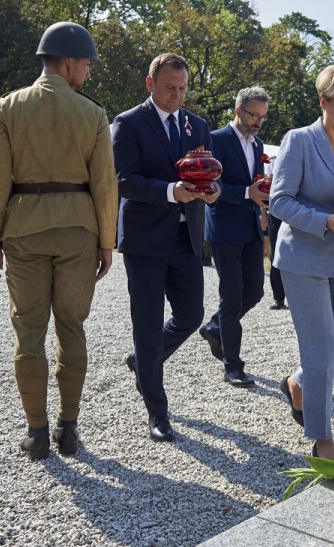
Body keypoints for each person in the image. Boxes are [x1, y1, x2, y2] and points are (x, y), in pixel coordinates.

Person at [0, 21, 117, 459]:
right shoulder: (92, 114)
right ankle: (68, 429)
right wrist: (107, 242)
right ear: (68, 62)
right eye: (87, 64)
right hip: (79, 231)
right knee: (72, 327)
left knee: (28, 330)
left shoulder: (8, 107)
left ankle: (36, 433)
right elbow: (104, 184)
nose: (88, 71)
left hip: (23, 231)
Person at [112, 53, 218, 442]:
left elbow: (209, 171)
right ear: (150, 83)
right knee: (147, 322)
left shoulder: (198, 125)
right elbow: (125, 181)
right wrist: (172, 191)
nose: (177, 95)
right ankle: (157, 412)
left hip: (185, 237)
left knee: (191, 315)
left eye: (183, 88)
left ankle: (143, 361)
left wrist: (212, 191)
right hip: (144, 239)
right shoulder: (128, 123)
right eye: (170, 87)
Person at [270, 65, 334, 460]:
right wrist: (324, 221)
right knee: (321, 348)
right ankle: (322, 439)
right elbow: (280, 201)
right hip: (304, 257)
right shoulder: (299, 140)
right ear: (323, 102)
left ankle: (297, 384)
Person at [198, 87, 271, 387]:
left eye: (263, 117)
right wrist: (246, 193)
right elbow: (209, 186)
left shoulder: (258, 144)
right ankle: (233, 366)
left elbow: (255, 185)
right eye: (254, 115)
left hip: (251, 227)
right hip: (225, 228)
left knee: (254, 292)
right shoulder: (215, 139)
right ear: (238, 111)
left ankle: (215, 327)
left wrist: (263, 200)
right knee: (231, 298)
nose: (258, 121)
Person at [266, 127, 293, 310]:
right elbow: (265, 188)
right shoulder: (272, 161)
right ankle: (278, 297)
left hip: (297, 212)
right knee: (277, 254)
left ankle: (296, 296)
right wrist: (263, 214)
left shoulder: (304, 160)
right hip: (276, 213)